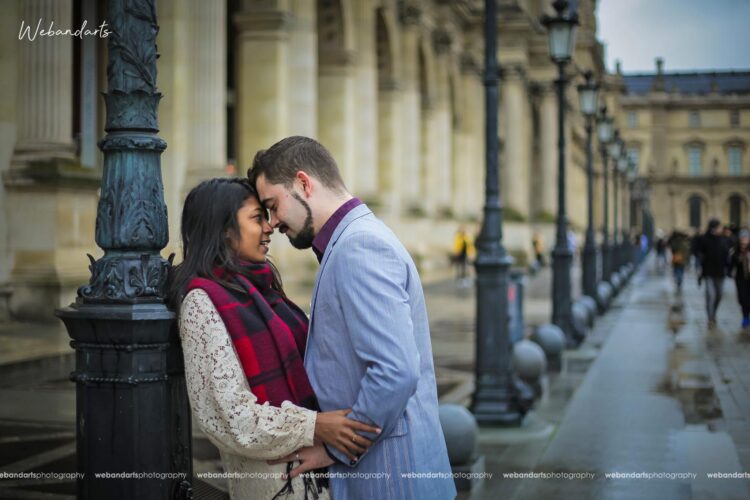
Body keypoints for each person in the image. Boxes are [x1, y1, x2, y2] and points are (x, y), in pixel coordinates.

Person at [249, 136, 456, 499]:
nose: (274, 223)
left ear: (303, 183)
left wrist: (336, 447)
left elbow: (396, 370)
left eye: (273, 205)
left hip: (392, 477)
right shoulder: (352, 240)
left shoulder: (358, 246)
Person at [169, 178, 381, 499]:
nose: (269, 227)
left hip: (322, 471)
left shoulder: (262, 288)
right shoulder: (202, 301)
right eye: (257, 218)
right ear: (224, 230)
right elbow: (226, 417)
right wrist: (315, 426)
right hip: (274, 484)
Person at [694, 218, 731, 329]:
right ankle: (710, 317)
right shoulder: (703, 239)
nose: (721, 229)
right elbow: (696, 251)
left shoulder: (724, 240)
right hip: (708, 272)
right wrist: (699, 265)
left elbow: (728, 255)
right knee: (710, 295)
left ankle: (714, 313)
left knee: (719, 295)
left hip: (720, 272)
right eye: (719, 227)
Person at [729, 228, 750, 330]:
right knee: (742, 299)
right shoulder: (736, 251)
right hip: (740, 279)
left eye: (746, 238)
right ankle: (745, 316)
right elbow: (731, 264)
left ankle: (746, 317)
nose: (744, 240)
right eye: (742, 238)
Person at [667, 229, 690, 294]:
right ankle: (679, 281)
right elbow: (687, 252)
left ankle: (678, 280)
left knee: (676, 270)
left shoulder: (675, 242)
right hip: (682, 259)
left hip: (676, 258)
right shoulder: (684, 242)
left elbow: (672, 248)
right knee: (680, 271)